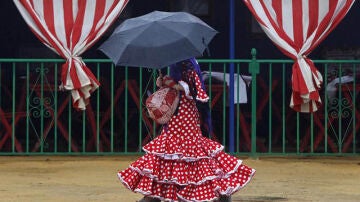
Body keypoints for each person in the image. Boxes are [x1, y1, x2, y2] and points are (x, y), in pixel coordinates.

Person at [117, 58, 255, 202]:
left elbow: (193, 89)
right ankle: (155, 195)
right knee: (167, 154)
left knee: (194, 154)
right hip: (174, 116)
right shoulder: (174, 64)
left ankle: (220, 192)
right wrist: (162, 82)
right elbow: (171, 91)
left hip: (186, 113)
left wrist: (172, 83)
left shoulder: (190, 64)